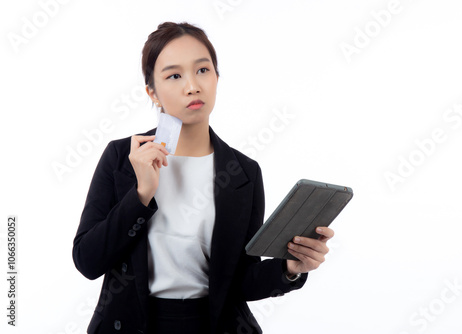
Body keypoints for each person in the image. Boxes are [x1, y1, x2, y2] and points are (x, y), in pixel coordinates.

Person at [72, 21, 334, 334]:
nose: (192, 86)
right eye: (174, 75)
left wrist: (290, 268)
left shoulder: (243, 172)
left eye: (203, 70)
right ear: (152, 92)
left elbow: (239, 281)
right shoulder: (122, 158)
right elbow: (88, 261)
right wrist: (141, 195)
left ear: (217, 77)